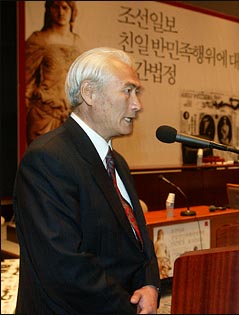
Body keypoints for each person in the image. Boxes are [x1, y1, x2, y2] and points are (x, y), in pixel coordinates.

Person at [13, 47, 160, 314]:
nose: (137, 104)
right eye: (128, 91)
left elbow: (138, 241)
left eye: (137, 92)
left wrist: (150, 285)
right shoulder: (47, 158)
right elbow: (63, 266)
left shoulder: (117, 162)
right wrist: (130, 309)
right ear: (89, 93)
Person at [25, 0, 86, 145]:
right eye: (55, 7)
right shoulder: (39, 39)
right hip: (45, 114)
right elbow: (25, 80)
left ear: (72, 11)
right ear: (49, 9)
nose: (60, 12)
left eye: (65, 7)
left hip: (73, 116)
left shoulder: (78, 42)